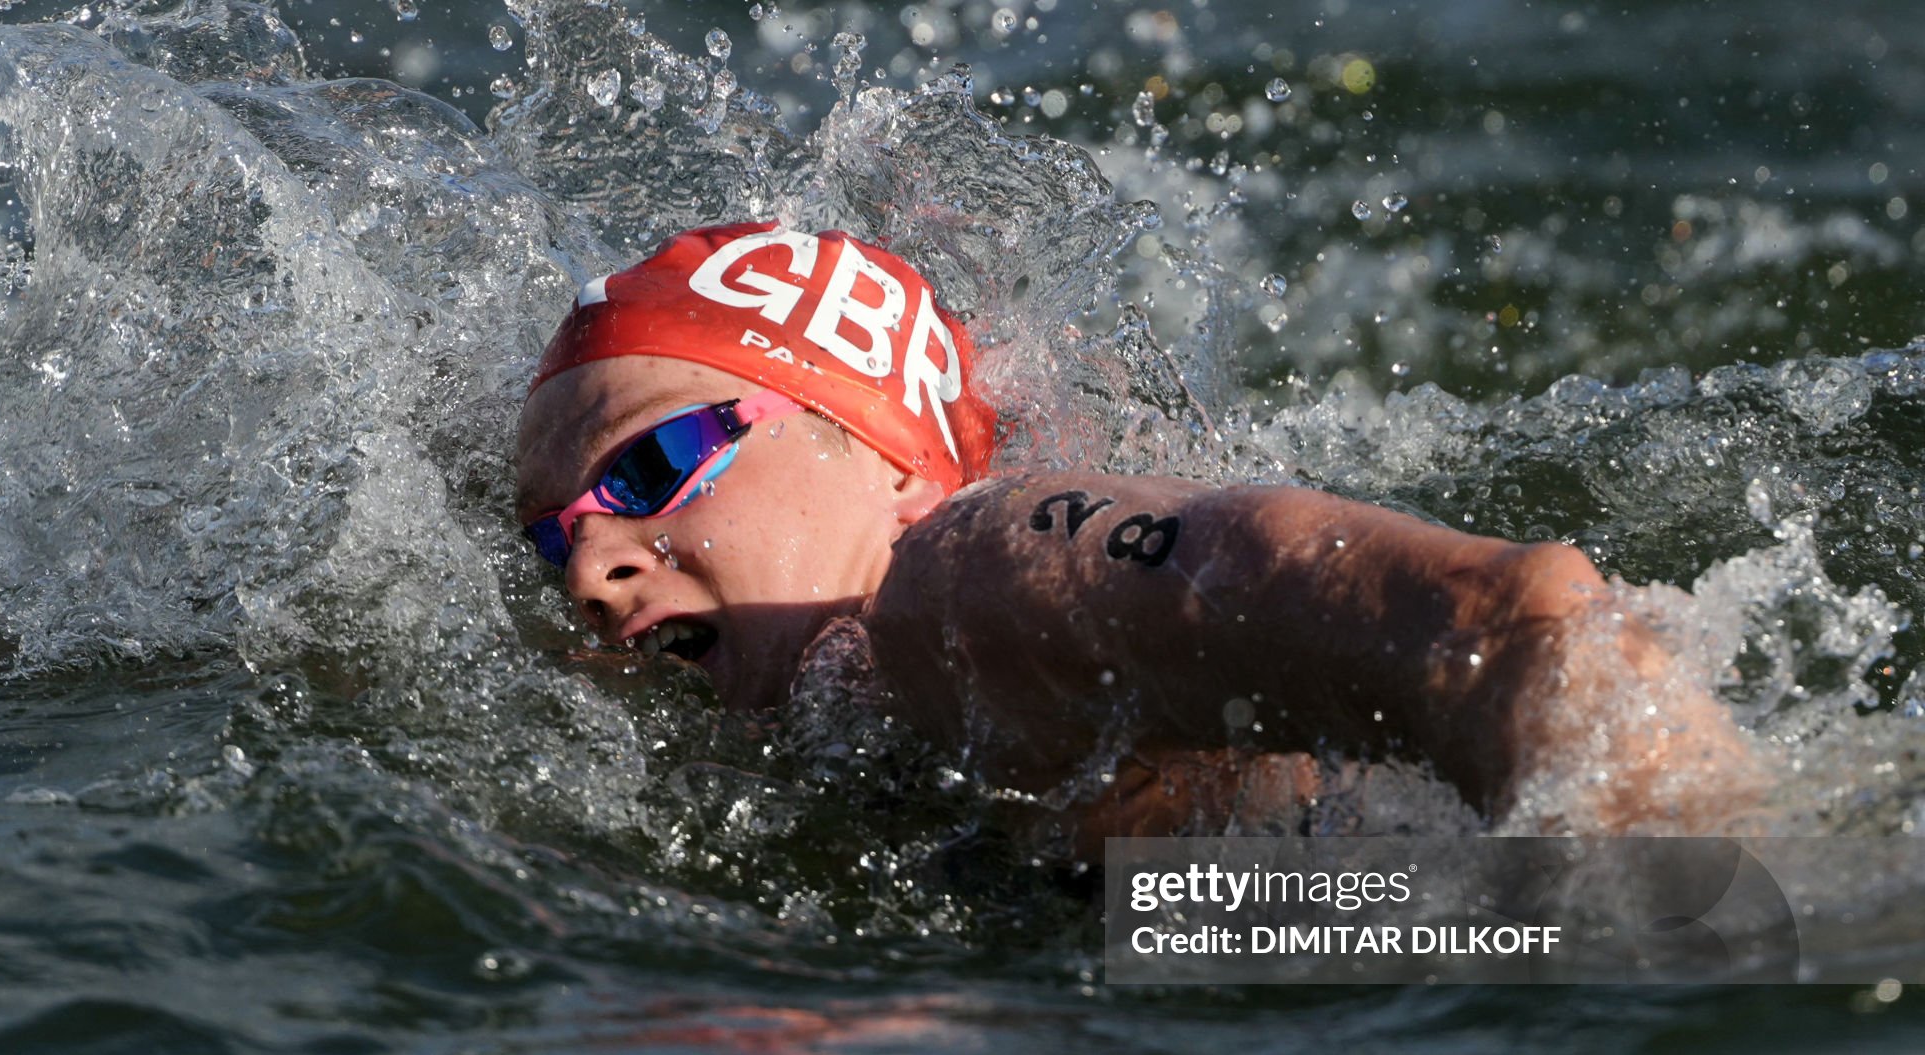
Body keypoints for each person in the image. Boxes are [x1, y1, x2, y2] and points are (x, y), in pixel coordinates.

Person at [515, 222, 1761, 840]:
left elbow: (1508, 622)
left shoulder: (965, 578)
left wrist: (1725, 920)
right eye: (551, 535)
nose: (587, 564)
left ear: (893, 464)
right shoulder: (862, 723)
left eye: (654, 464)